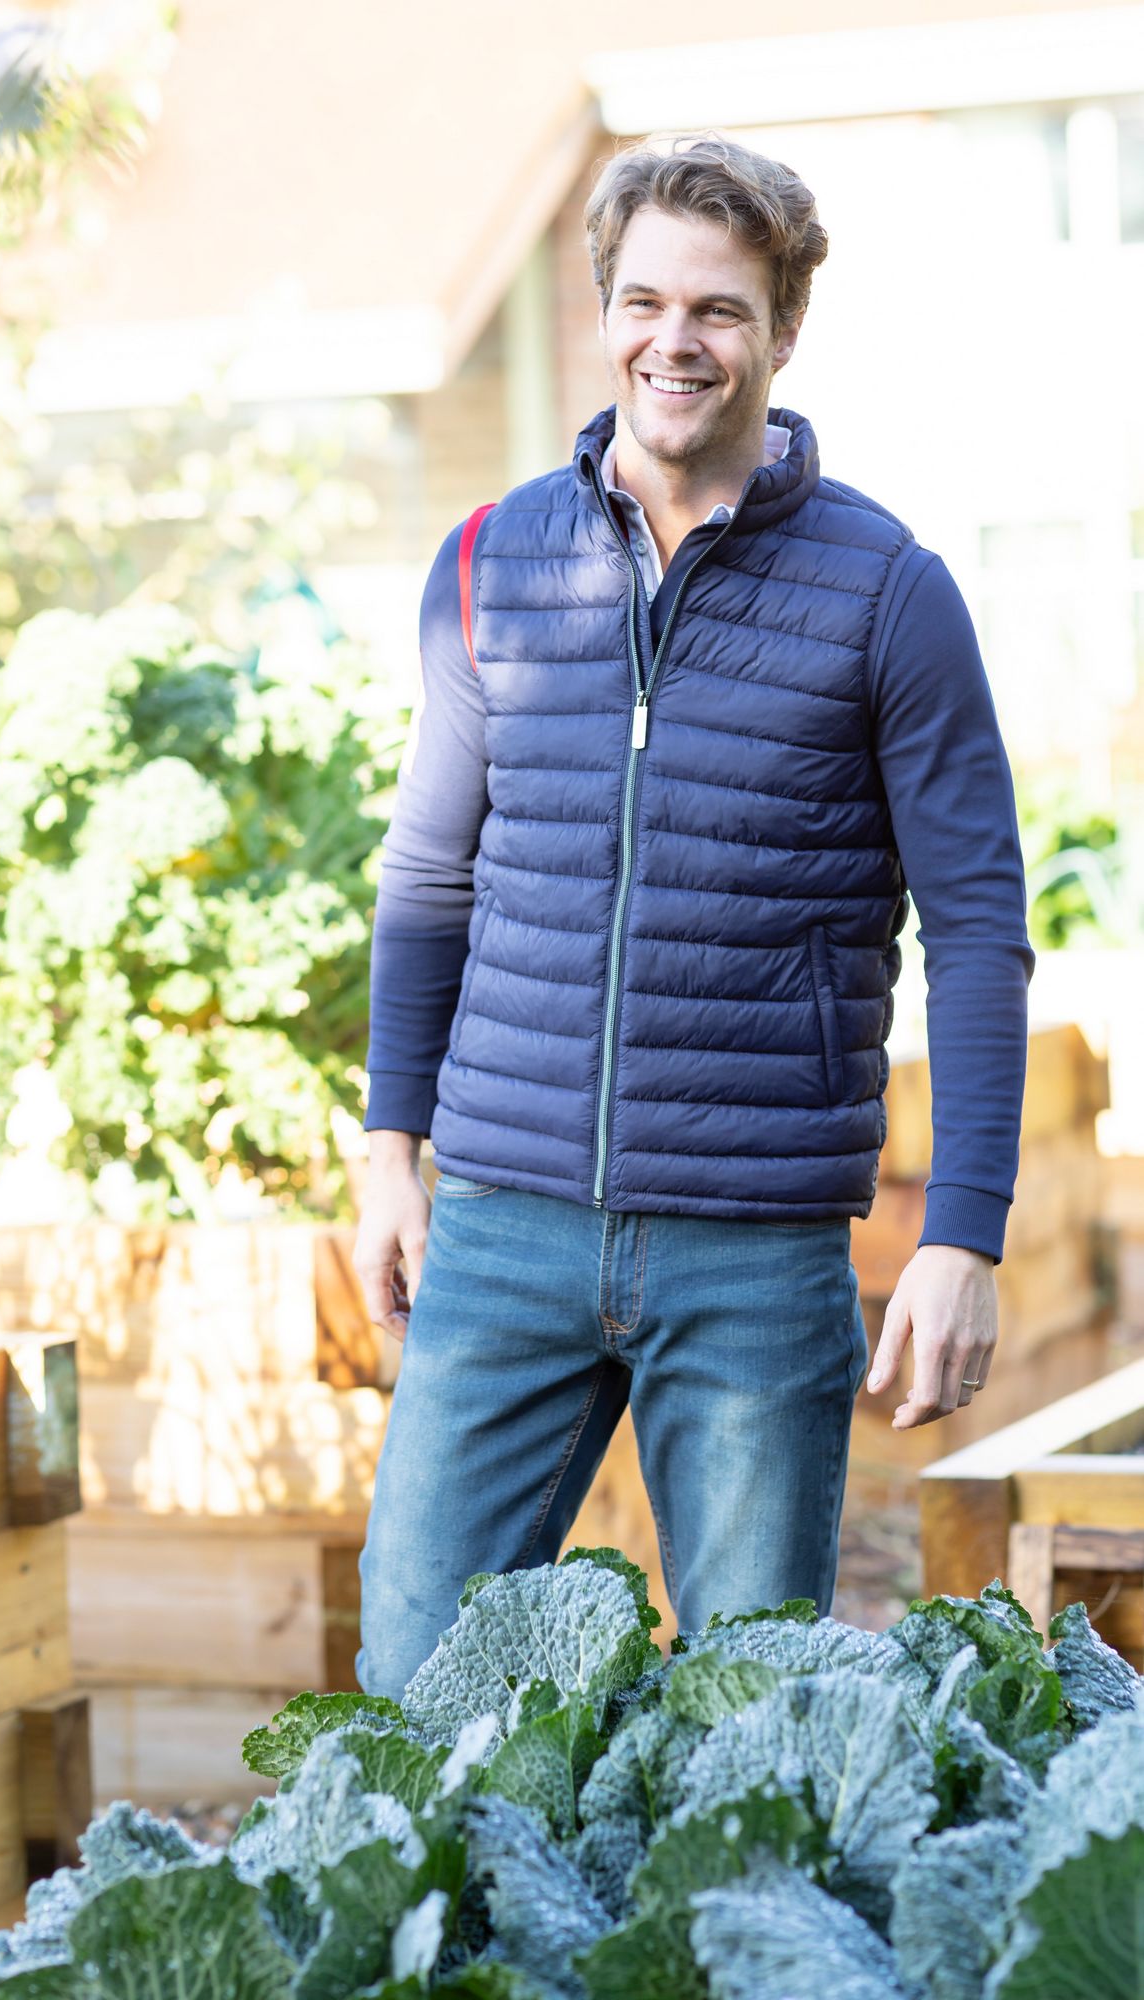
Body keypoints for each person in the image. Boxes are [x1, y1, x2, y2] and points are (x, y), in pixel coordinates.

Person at [351, 131, 1035, 1700]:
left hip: (752, 1247)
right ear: (604, 310)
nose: (676, 341)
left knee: (747, 1711)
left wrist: (964, 1236)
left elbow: (978, 926)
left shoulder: (887, 592)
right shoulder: (484, 565)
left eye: (719, 310)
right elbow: (429, 874)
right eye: (644, 300)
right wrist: (391, 1144)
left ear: (782, 333)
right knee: (406, 1686)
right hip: (503, 1225)